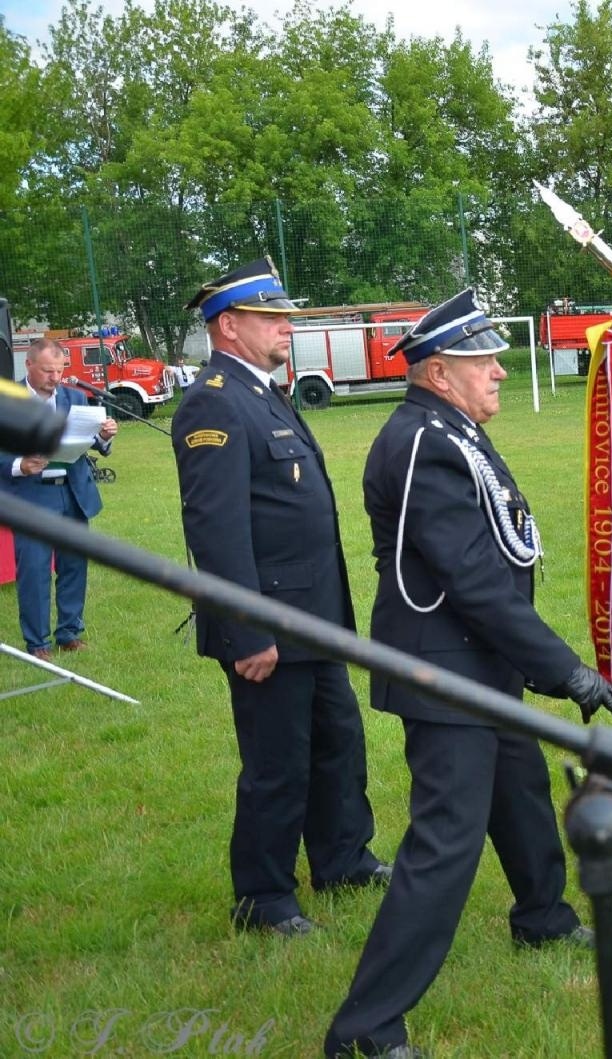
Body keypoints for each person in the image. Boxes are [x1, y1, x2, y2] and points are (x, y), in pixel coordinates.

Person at [325, 290, 612, 1059]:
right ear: (437, 372)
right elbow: (475, 583)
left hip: (476, 662)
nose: (499, 369)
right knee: (445, 844)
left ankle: (543, 917)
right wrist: (568, 672)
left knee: (520, 793)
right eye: (481, 360)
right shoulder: (427, 442)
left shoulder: (447, 428)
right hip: (446, 670)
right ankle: (364, 1029)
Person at [173, 258, 388, 935]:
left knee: (338, 741)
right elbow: (217, 529)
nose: (286, 327)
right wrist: (247, 630)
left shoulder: (261, 390)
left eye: (285, 316)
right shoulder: (214, 399)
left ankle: (342, 858)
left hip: (311, 615)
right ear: (228, 326)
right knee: (277, 760)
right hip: (268, 621)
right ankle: (262, 898)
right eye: (272, 318)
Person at [0, 338, 117, 658]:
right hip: (31, 496)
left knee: (73, 567)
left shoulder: (75, 397)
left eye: (61, 370)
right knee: (35, 571)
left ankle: (69, 633)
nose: (55, 377)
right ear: (29, 366)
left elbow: (91, 441)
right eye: (48, 371)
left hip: (73, 493)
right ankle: (37, 643)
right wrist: (19, 465)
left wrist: (104, 437)